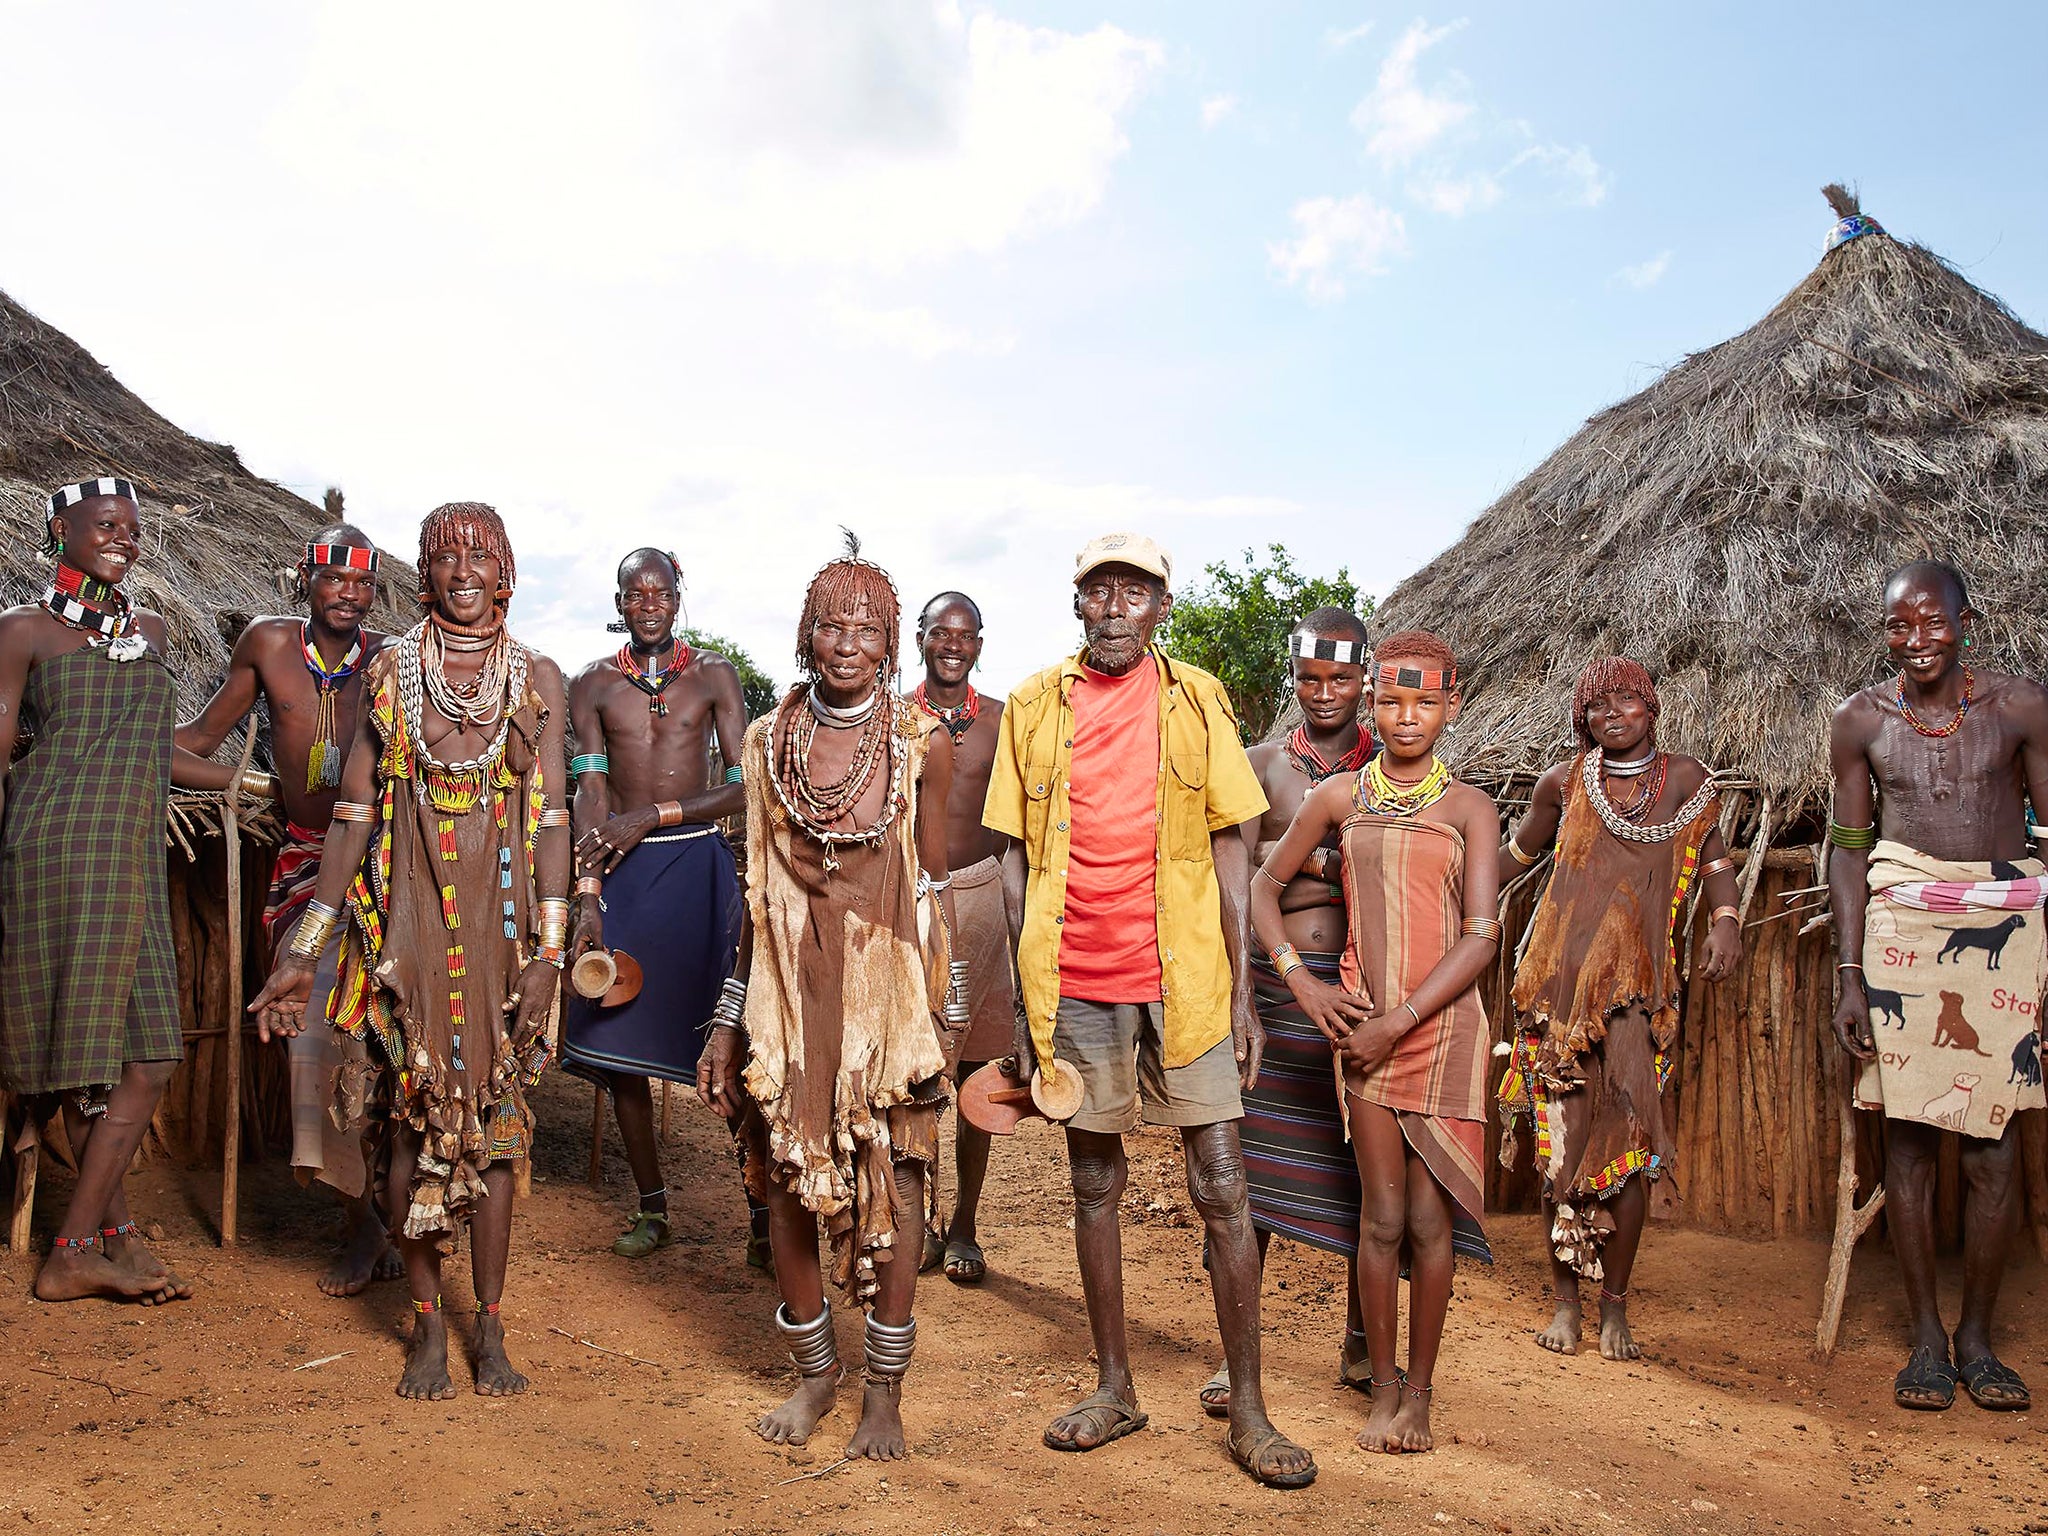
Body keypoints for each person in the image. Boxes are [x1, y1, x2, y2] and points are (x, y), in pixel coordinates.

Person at [983, 532, 1316, 1489]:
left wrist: (1246, 993)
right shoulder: (1036, 705)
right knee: (1094, 1182)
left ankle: (1248, 1407)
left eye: (1136, 593)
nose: (1117, 608)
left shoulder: (1198, 698)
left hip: (1188, 979)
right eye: (1100, 591)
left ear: (1162, 608)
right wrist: (1023, 995)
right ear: (1077, 603)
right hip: (1077, 977)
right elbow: (1013, 863)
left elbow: (1231, 845)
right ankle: (1115, 1386)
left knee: (1223, 1183)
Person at [248, 502, 570, 1400]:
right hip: (403, 931)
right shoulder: (394, 671)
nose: (463, 568)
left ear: (504, 567)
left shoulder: (537, 675)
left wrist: (548, 955)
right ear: (424, 574)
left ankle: (492, 1330)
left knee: (496, 1137)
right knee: (409, 1125)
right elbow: (352, 818)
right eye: (445, 555)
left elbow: (550, 822)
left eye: (480, 553)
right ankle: (428, 1330)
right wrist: (308, 947)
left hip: (502, 930)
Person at [698, 536, 962, 1462]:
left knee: (903, 1174)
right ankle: (816, 1374)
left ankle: (883, 1392)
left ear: (890, 643)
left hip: (887, 994)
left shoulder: (917, 740)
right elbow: (753, 892)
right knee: (784, 1180)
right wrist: (730, 1021)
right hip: (790, 991)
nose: (847, 640)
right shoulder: (768, 743)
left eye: (867, 626)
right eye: (830, 624)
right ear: (805, 636)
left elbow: (934, 885)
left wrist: (950, 1011)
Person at [1250, 630, 1498, 1455]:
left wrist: (1404, 1017)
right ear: (1373, 701)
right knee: (1381, 1218)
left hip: (1441, 1030)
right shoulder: (1341, 797)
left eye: (1424, 700)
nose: (1405, 715)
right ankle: (1380, 1392)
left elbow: (1483, 935)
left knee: (1430, 1224)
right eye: (1391, 699)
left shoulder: (1470, 807)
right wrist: (1301, 979)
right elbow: (1261, 887)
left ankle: (1419, 1396)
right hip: (1363, 1033)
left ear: (1451, 706)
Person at [1829, 560, 2047, 1413]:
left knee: (1995, 1148)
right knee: (1911, 1146)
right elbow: (1851, 849)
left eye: (1933, 623)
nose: (1916, 642)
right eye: (1898, 626)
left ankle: (1978, 1339)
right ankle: (1926, 1337)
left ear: (1966, 621)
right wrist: (1851, 975)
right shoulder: (1860, 720)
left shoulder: (2023, 708)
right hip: (1900, 940)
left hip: (2004, 923)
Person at [171, 515, 397, 1297]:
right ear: (308, 579)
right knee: (311, 1028)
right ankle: (359, 1220)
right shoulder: (268, 644)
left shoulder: (393, 662)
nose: (350, 594)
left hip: (390, 865)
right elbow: (190, 743)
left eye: (364, 583)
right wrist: (255, 784)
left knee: (387, 1033)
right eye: (336, 579)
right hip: (307, 863)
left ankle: (392, 1210)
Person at [1496, 657, 1741, 1360]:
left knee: (1627, 1158)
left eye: (1628, 700)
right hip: (1559, 1000)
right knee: (1560, 1155)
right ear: (1583, 717)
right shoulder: (1564, 783)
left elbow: (1717, 865)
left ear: (1652, 707)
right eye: (1598, 706)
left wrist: (1724, 920)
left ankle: (1615, 1308)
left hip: (1639, 1002)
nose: (1614, 714)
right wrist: (1450, 880)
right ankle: (1565, 1303)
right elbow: (1514, 857)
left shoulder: (1688, 781)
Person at [0, 478, 193, 1305]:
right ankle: (88, 1244)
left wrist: (263, 784)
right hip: (56, 853)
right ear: (60, 529)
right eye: (107, 526)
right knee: (86, 1062)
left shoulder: (146, 632)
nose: (124, 539)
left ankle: (95, 1237)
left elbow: (163, 752)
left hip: (133, 860)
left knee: (148, 1057)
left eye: (133, 530)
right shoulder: (20, 632)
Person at [1197, 607, 1383, 1418]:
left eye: (1341, 679)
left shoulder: (1400, 771)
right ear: (1293, 679)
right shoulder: (1260, 767)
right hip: (1276, 985)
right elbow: (1229, 884)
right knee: (1250, 1169)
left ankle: (1363, 1339)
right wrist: (1244, 995)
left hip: (1370, 991)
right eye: (1311, 679)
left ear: (1366, 679)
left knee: (1373, 1169)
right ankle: (1237, 1356)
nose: (1326, 694)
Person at [564, 549, 747, 1260]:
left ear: (678, 598)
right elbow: (591, 791)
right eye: (635, 594)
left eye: (660, 593)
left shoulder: (714, 676)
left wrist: (655, 815)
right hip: (620, 869)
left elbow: (743, 786)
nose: (648, 604)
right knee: (618, 1044)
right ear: (620, 600)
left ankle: (762, 1214)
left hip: (699, 864)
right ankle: (653, 1207)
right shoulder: (592, 685)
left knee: (730, 1038)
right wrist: (588, 894)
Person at [910, 590, 1012, 1285]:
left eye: (966, 634)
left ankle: (966, 1226)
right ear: (920, 637)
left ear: (980, 644)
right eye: (941, 632)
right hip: (908, 902)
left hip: (983, 898)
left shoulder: (1006, 722)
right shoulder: (895, 719)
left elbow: (1027, 819)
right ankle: (914, 1221)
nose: (953, 644)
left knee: (979, 1069)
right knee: (911, 1068)